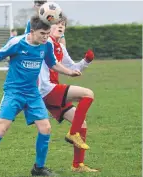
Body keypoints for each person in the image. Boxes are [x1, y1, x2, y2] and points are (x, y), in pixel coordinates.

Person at [0, 15, 81, 177]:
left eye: (48, 33)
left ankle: (38, 169)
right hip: (14, 93)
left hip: (33, 93)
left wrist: (69, 72)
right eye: (42, 33)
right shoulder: (17, 43)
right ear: (32, 31)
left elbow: (52, 63)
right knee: (1, 129)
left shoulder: (46, 44)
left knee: (46, 128)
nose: (46, 37)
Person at [38, 15, 99, 172]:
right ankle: (72, 134)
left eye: (63, 24)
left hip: (53, 90)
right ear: (48, 27)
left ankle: (77, 165)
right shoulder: (46, 43)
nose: (60, 26)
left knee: (82, 124)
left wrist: (86, 61)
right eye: (57, 24)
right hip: (47, 89)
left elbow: (73, 68)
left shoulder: (60, 47)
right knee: (88, 94)